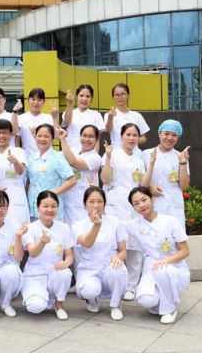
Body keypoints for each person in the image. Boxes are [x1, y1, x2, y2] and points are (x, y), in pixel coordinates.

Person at [126, 186, 190, 324]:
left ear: (152, 198)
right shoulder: (134, 225)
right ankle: (161, 300)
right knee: (146, 300)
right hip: (151, 267)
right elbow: (113, 225)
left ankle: (169, 309)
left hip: (175, 268)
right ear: (133, 207)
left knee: (162, 270)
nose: (141, 205)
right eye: (136, 203)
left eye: (144, 200)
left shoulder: (170, 221)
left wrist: (166, 261)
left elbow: (185, 251)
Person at [100, 122, 146, 301]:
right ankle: (112, 284)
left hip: (133, 207)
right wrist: (108, 157)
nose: (132, 138)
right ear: (121, 136)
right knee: (114, 246)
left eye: (135, 135)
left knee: (135, 248)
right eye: (128, 134)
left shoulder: (139, 160)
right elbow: (105, 179)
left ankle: (131, 286)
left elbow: (141, 183)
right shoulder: (111, 154)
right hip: (114, 206)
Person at [72, 186, 128, 321]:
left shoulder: (115, 222)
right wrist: (96, 225)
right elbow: (87, 243)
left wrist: (118, 257)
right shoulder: (78, 225)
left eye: (99, 201)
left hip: (109, 266)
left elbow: (123, 251)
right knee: (89, 290)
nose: (96, 205)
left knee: (118, 271)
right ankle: (91, 299)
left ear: (104, 203)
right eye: (91, 201)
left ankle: (115, 305)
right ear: (85, 204)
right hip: (89, 269)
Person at [21, 191, 74, 320]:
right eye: (45, 206)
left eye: (53, 206)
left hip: (54, 273)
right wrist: (42, 243)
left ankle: (58, 304)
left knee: (65, 273)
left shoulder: (64, 228)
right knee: (36, 307)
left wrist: (66, 263)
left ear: (58, 208)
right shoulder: (30, 228)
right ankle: (41, 297)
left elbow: (69, 255)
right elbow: (33, 252)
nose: (50, 210)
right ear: (37, 207)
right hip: (34, 275)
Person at [141, 119, 191, 227]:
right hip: (152, 205)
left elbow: (184, 186)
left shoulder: (180, 156)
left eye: (174, 135)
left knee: (175, 235)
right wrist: (149, 186)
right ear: (159, 133)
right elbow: (139, 178)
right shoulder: (146, 154)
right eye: (166, 133)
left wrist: (183, 162)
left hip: (174, 206)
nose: (169, 138)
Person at [26, 123, 76, 221]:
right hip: (33, 209)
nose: (42, 139)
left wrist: (51, 194)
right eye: (39, 136)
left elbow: (72, 180)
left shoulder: (58, 157)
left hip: (51, 210)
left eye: (46, 136)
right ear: (35, 137)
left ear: (53, 139)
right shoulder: (31, 158)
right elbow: (29, 182)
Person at [58, 124, 102, 225]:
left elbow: (74, 162)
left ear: (96, 139)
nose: (87, 139)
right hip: (67, 199)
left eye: (91, 136)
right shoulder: (73, 150)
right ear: (80, 136)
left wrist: (62, 139)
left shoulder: (96, 158)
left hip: (83, 202)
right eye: (84, 135)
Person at [103, 83, 149, 151]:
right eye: (116, 95)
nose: (120, 97)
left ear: (128, 95)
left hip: (134, 152)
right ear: (113, 97)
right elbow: (108, 130)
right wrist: (110, 117)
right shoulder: (108, 115)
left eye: (122, 94)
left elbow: (144, 138)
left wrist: (133, 140)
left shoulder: (137, 116)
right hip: (116, 151)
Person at [61, 85, 105, 152]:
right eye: (81, 96)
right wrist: (70, 103)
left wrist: (95, 155)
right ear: (76, 97)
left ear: (91, 99)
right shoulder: (69, 112)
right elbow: (66, 123)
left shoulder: (96, 115)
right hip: (71, 152)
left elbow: (97, 140)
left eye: (88, 96)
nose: (84, 99)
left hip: (89, 153)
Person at [17, 88, 54, 156]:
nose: (36, 103)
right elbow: (17, 139)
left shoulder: (49, 118)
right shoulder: (20, 118)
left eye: (39, 100)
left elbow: (56, 137)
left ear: (43, 101)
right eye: (33, 99)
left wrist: (56, 118)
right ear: (28, 100)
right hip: (27, 156)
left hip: (47, 156)